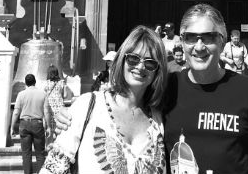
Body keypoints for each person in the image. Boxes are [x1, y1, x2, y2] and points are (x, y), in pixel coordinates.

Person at [56, 4, 248, 174]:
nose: (199, 46)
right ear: (181, 43)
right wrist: (73, 115)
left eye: (209, 37)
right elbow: (127, 101)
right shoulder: (167, 87)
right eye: (191, 38)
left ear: (223, 42)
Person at [41, 25, 167, 174]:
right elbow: (53, 169)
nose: (140, 66)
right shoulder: (87, 106)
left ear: (157, 71)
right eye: (133, 59)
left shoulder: (159, 120)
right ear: (122, 60)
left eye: (150, 63)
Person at [12, 74, 48, 174]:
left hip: (24, 124)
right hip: (37, 124)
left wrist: (12, 127)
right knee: (40, 154)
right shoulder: (43, 94)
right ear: (35, 81)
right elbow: (46, 112)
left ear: (25, 83)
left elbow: (16, 112)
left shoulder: (21, 94)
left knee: (26, 154)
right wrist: (48, 126)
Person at [43, 65, 67, 147]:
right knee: (59, 131)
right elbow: (65, 95)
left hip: (49, 109)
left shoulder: (46, 83)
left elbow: (44, 96)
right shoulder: (62, 82)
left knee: (49, 130)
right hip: (60, 109)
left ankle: (48, 148)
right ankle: (58, 149)